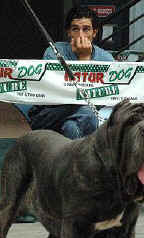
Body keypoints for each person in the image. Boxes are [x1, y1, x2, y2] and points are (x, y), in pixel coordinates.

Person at [28, 6, 115, 139]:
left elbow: (98, 101)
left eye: (86, 29)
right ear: (69, 32)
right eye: (75, 29)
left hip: (84, 115)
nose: (80, 35)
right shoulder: (54, 52)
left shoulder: (106, 59)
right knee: (88, 113)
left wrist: (84, 58)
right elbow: (58, 96)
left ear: (94, 32)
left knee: (72, 126)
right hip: (49, 113)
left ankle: (73, 159)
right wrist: (84, 59)